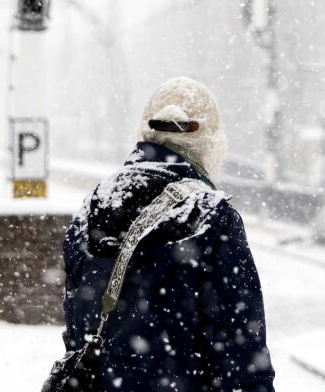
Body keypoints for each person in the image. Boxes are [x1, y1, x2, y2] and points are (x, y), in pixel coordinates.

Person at [61, 76, 275, 392]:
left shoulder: (95, 205)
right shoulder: (211, 216)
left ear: (144, 131)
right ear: (210, 140)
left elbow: (76, 329)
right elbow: (240, 351)